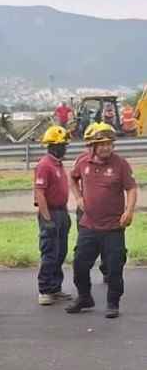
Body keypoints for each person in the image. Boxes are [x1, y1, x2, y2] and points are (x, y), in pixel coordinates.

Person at [65, 123, 138, 318]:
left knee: (114, 268)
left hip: (114, 227)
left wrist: (129, 211)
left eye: (109, 143)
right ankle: (84, 297)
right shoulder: (82, 162)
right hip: (89, 226)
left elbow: (131, 188)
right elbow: (72, 178)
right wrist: (79, 198)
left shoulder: (120, 164)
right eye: (101, 144)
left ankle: (113, 303)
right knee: (79, 264)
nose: (106, 147)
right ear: (92, 146)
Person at [33, 126, 73, 305]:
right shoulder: (44, 165)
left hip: (61, 212)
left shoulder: (58, 164)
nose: (65, 148)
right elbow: (40, 193)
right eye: (63, 145)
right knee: (50, 252)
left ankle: (55, 287)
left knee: (61, 251)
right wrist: (47, 218)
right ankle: (45, 290)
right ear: (54, 146)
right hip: (50, 212)